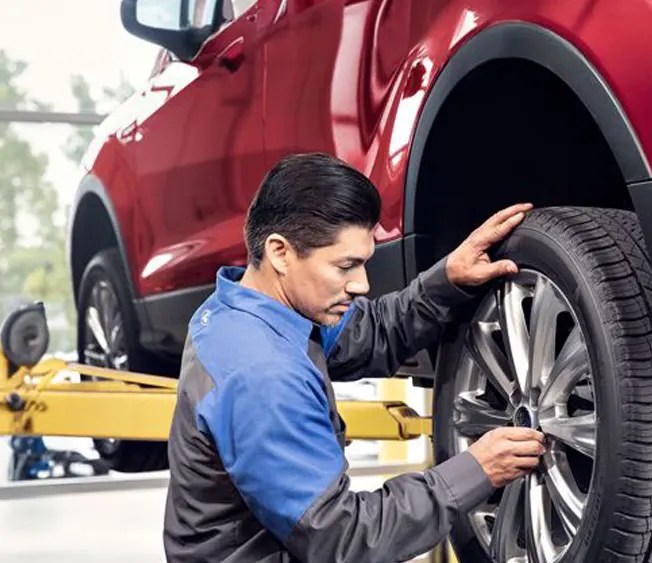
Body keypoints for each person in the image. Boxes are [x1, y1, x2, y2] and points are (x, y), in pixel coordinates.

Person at [162, 153, 546, 562]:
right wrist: (476, 470)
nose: (361, 284)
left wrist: (446, 280)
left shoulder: (250, 307)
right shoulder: (263, 375)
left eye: (364, 263)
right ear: (280, 252)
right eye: (346, 266)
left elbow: (372, 333)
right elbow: (340, 539)